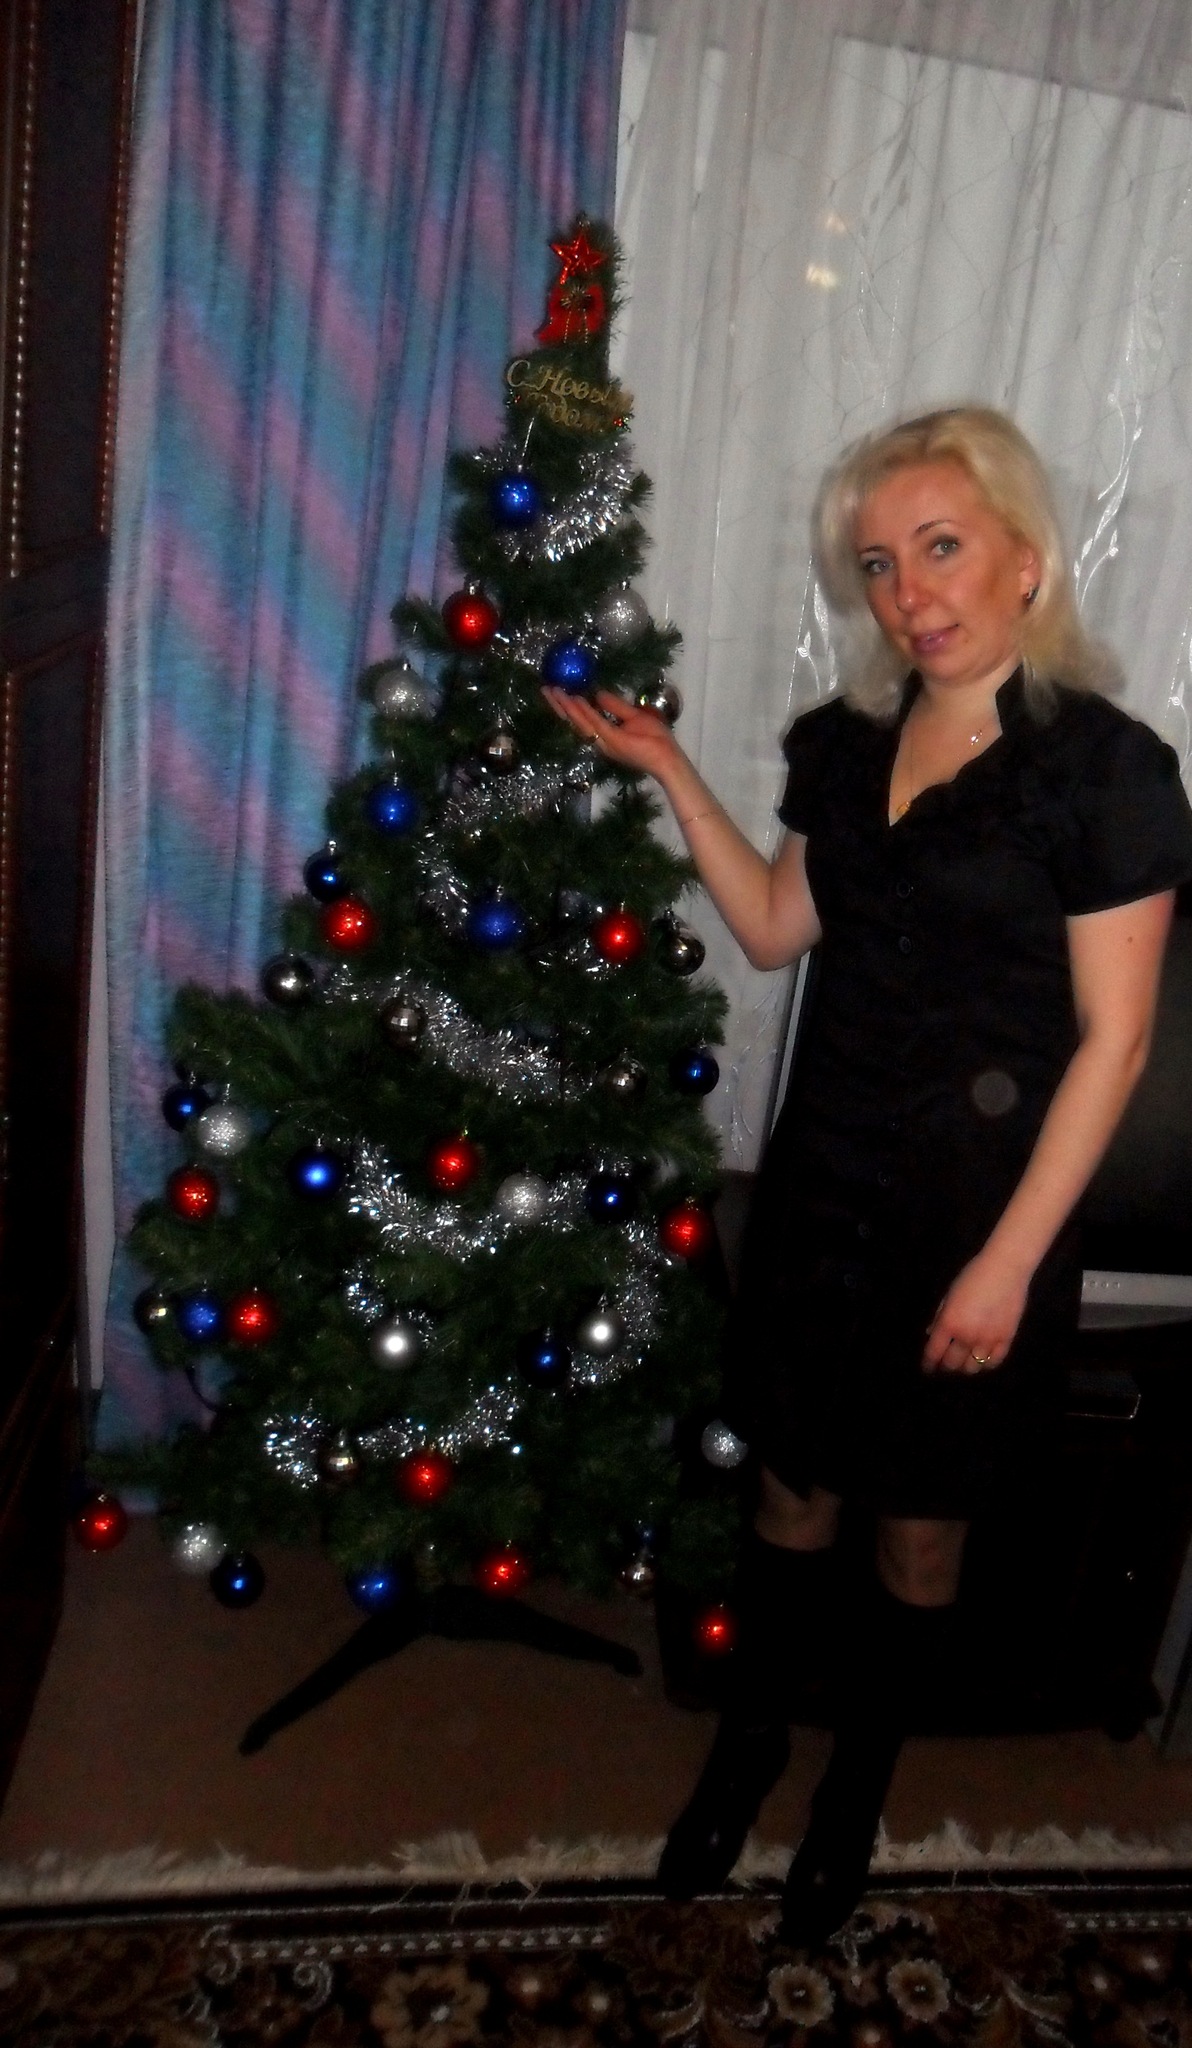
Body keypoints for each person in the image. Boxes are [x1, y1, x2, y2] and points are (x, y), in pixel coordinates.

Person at [544, 405, 1192, 1944]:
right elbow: (779, 930)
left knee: (919, 1524)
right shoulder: (840, 748)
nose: (910, 591)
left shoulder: (1106, 773)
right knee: (791, 1488)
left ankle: (854, 1792)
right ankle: (753, 1743)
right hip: (823, 1190)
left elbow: (1114, 1049)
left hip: (977, 1224)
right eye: (883, 563)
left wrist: (1007, 1267)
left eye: (941, 547)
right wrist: (671, 771)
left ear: (1026, 558)